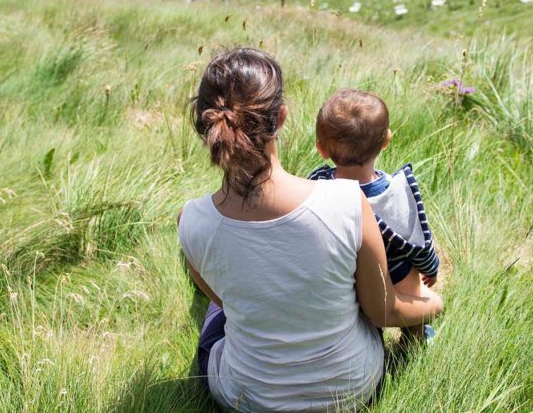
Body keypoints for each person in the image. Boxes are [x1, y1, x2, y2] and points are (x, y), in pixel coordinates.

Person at [178, 48, 444, 411]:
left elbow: (226, 302)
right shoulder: (348, 201)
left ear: (206, 127)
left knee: (214, 312)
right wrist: (435, 304)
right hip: (352, 389)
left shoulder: (191, 221)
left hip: (248, 400)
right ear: (282, 116)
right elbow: (384, 312)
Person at [308, 89, 440, 341]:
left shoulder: (319, 183)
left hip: (338, 273)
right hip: (388, 281)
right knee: (407, 266)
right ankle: (414, 332)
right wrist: (431, 268)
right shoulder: (395, 193)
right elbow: (418, 242)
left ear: (322, 149)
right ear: (386, 140)